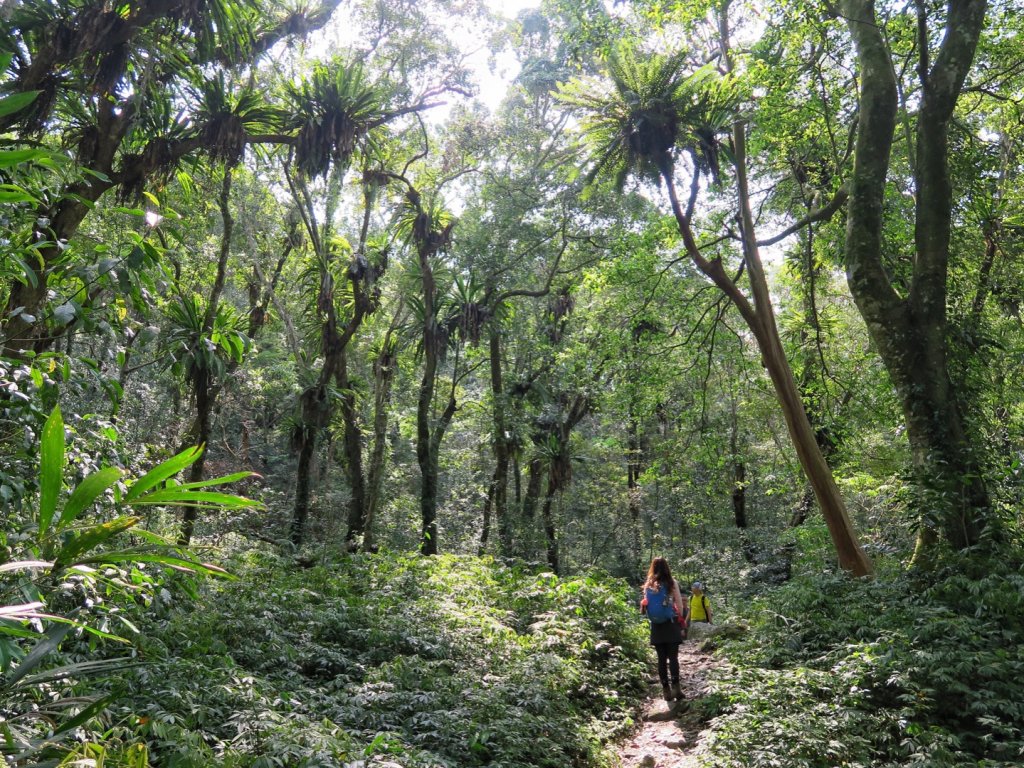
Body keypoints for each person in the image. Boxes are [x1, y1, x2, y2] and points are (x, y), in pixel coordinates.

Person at [640, 557, 688, 702]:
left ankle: (666, 690)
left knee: (661, 659)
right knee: (673, 658)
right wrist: (680, 622)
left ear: (653, 568)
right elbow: (679, 605)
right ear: (667, 567)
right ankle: (676, 689)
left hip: (656, 626)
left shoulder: (648, 584)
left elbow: (644, 605)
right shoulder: (672, 583)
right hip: (670, 623)